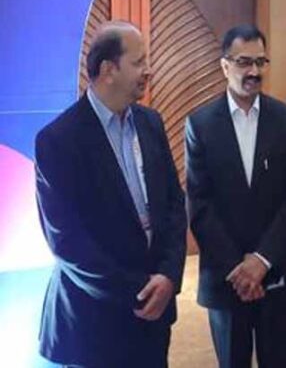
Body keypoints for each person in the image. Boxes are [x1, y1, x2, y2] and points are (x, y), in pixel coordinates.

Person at [34, 21, 187, 368]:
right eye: (138, 61)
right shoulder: (58, 141)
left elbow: (174, 205)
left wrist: (168, 276)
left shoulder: (151, 123)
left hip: (153, 319)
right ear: (108, 70)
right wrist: (140, 290)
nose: (148, 70)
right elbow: (66, 241)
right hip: (94, 323)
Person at [185, 24, 286, 368]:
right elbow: (200, 205)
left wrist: (262, 261)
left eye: (260, 62)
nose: (254, 71)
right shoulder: (200, 124)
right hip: (228, 277)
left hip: (275, 271)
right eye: (243, 62)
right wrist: (239, 270)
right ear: (225, 66)